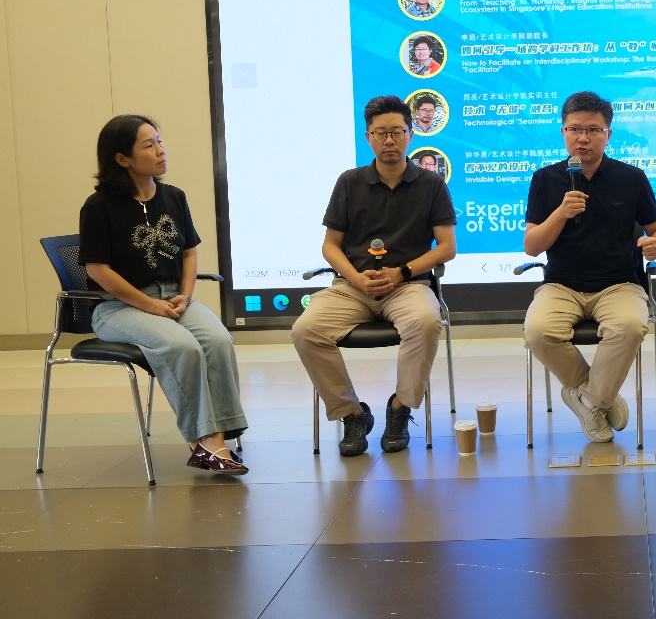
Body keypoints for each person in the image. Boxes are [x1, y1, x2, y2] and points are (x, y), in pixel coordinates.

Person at [79, 115, 249, 475]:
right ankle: (206, 442)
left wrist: (185, 295)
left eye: (159, 140)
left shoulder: (174, 196)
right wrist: (150, 305)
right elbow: (98, 270)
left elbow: (188, 253)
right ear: (122, 159)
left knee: (218, 340)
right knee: (181, 346)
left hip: (172, 298)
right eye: (149, 145)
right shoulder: (98, 207)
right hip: (118, 308)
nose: (161, 150)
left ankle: (220, 435)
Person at [291, 95, 457, 457]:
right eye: (380, 133)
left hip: (408, 285)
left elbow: (446, 248)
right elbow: (330, 246)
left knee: (427, 321)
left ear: (410, 134)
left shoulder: (431, 185)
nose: (389, 140)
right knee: (306, 330)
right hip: (353, 287)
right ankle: (352, 414)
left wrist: (402, 272)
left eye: (397, 132)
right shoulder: (349, 182)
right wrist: (355, 277)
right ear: (368, 137)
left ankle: (400, 408)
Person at [522, 91, 656, 442]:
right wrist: (561, 212)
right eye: (575, 129)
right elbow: (532, 246)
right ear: (563, 132)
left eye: (593, 130)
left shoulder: (631, 177)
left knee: (631, 326)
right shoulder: (545, 179)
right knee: (538, 332)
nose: (583, 138)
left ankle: (588, 401)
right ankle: (600, 396)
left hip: (619, 283)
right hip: (561, 284)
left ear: (608, 134)